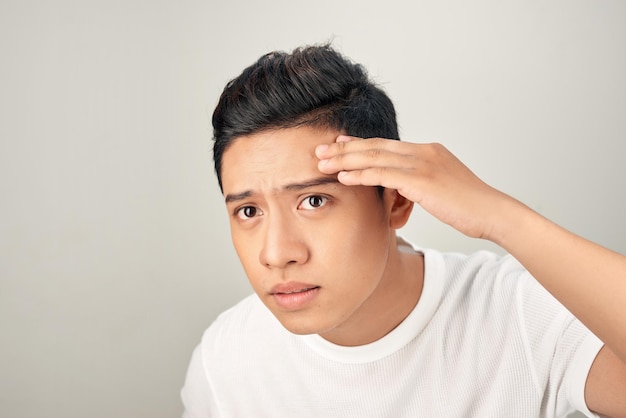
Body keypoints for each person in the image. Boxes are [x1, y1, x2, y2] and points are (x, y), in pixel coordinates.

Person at [181, 44, 626, 417]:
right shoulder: (227, 357)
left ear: (395, 200)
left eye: (314, 201)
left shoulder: (521, 314)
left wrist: (501, 217)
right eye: (248, 211)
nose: (277, 253)